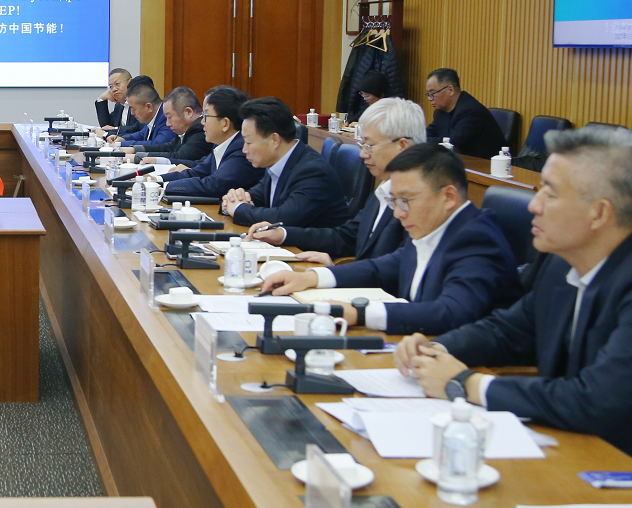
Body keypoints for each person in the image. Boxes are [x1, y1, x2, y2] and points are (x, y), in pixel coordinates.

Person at [393, 126, 632, 470]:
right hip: (570, 450)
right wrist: (438, 348)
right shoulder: (561, 261)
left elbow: (596, 401)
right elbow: (508, 330)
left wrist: (466, 383)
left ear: (599, 213)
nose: (534, 205)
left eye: (550, 193)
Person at [262, 144, 521, 335]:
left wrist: (360, 313)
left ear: (449, 197)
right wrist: (310, 278)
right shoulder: (433, 226)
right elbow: (382, 268)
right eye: (394, 201)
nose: (397, 213)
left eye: (405, 200)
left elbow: (450, 312)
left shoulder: (477, 238)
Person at [246, 97, 423, 264]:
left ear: (402, 146)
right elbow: (347, 237)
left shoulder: (420, 201)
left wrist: (335, 273)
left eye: (369, 146)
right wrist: (283, 234)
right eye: (362, 146)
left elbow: (394, 270)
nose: (363, 154)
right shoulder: (385, 189)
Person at [221, 96, 349, 229]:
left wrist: (238, 208)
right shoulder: (278, 163)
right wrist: (232, 200)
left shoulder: (313, 171)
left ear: (274, 140)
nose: (244, 150)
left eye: (248, 142)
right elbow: (254, 197)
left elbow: (282, 219)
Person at [160, 86, 265, 199]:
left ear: (225, 124)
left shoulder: (241, 149)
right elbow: (196, 172)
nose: (202, 122)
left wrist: (165, 187)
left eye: (206, 116)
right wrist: (158, 180)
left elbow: (214, 185)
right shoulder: (221, 145)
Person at [425, 68, 507, 158]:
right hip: (459, 161)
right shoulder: (441, 111)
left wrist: (420, 140)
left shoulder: (471, 111)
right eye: (428, 94)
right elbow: (431, 132)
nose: (429, 98)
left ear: (450, 90)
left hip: (486, 164)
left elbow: (452, 143)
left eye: (433, 93)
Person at [122, 86, 213, 167]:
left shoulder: (200, 128)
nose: (167, 124)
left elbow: (181, 156)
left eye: (169, 117)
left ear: (188, 112)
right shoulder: (187, 129)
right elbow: (168, 147)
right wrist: (134, 149)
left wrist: (138, 157)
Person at [112, 81, 176, 149]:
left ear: (149, 107)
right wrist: (123, 139)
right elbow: (142, 134)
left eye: (134, 109)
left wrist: (121, 144)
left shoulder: (166, 117)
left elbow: (157, 145)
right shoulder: (152, 115)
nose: (132, 113)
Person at [95, 68, 136, 132]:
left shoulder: (139, 103)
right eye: (111, 86)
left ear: (130, 82)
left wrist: (115, 129)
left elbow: (137, 129)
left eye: (117, 84)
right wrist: (101, 99)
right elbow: (106, 126)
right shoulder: (119, 105)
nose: (114, 89)